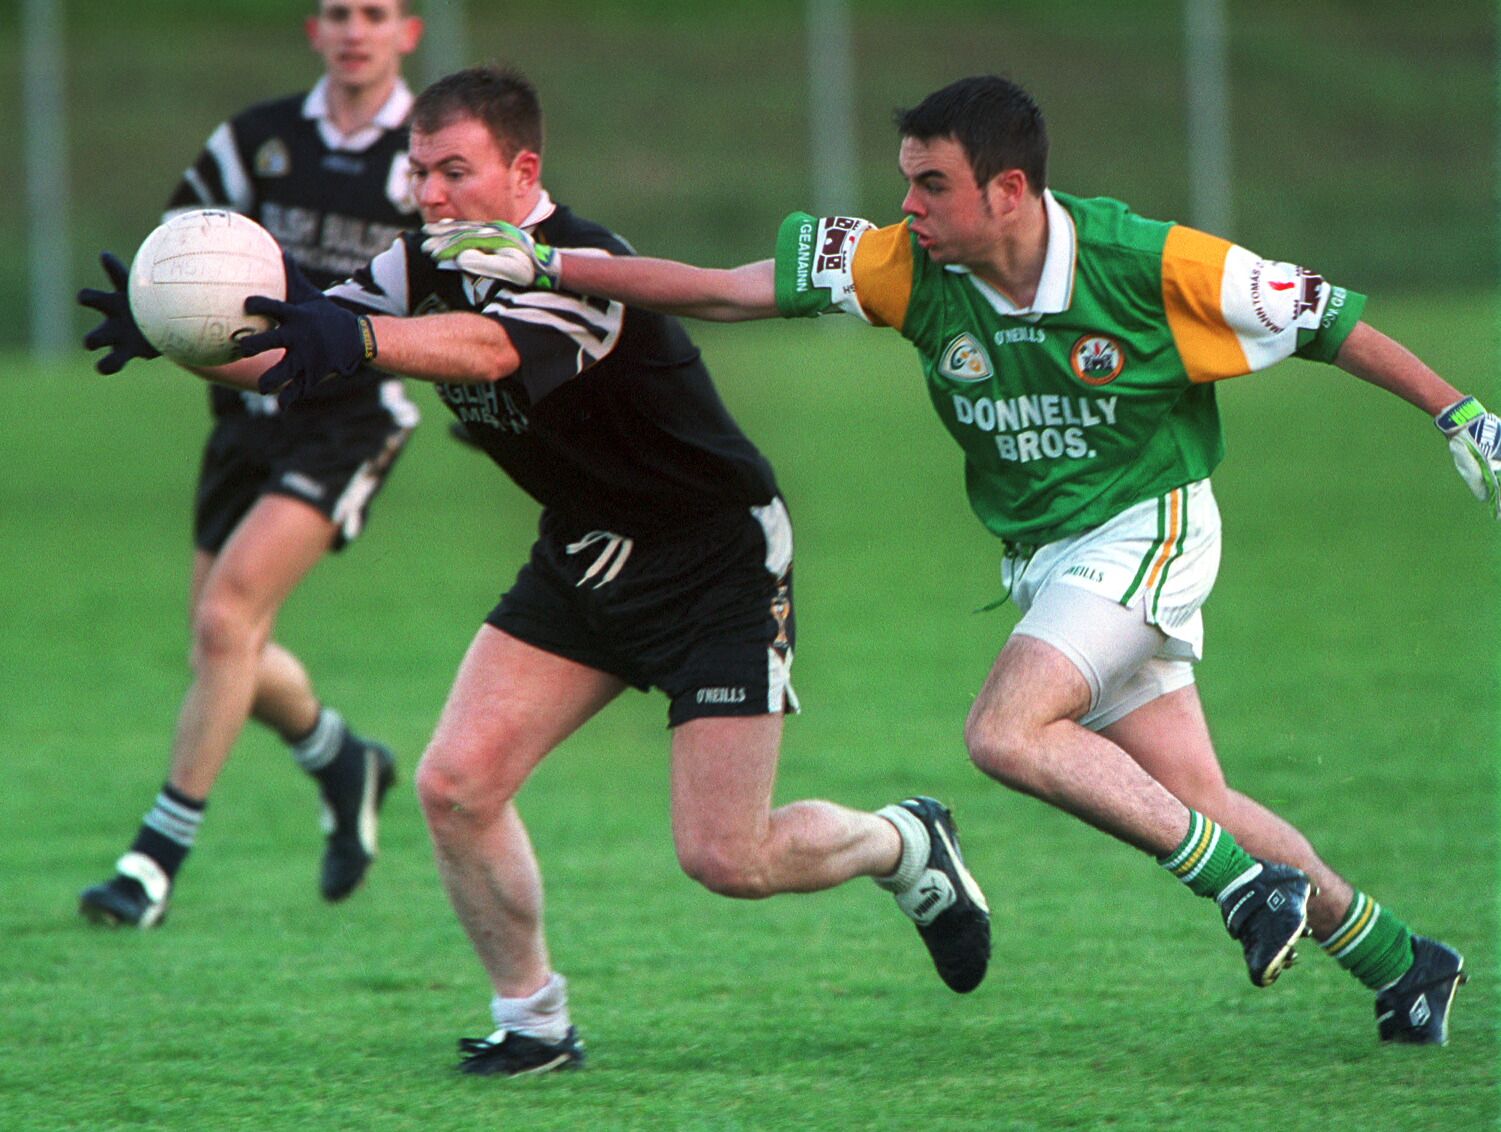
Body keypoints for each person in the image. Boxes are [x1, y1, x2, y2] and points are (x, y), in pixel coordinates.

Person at [428, 75, 1494, 1047]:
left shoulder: (1150, 263)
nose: (909, 208)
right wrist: (551, 262)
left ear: (1009, 190)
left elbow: (1329, 321)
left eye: (932, 186)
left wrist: (1458, 414)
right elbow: (719, 289)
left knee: (1004, 731)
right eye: (906, 183)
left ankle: (1241, 886)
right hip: (1048, 557)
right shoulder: (905, 265)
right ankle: (1403, 963)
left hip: (1147, 527)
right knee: (1193, 793)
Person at [79, 65, 993, 1075]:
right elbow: (285, 351)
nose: (430, 194)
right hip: (586, 554)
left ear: (522, 171)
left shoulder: (585, 266)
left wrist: (362, 336)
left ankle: (903, 843)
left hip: (714, 560)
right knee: (455, 785)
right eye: (419, 171)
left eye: (453, 171)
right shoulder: (415, 265)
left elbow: (486, 353)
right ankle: (534, 1022)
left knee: (727, 857)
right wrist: (180, 331)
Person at [76, 0, 425, 927]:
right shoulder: (254, 143)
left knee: (228, 617)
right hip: (243, 416)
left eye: (375, 13)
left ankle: (153, 862)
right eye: (338, 13)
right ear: (315, 31)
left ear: (408, 32)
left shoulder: (426, 159)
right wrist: (162, 319)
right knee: (221, 641)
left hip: (348, 418)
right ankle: (341, 759)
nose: (354, 30)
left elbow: (459, 293)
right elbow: (179, 266)